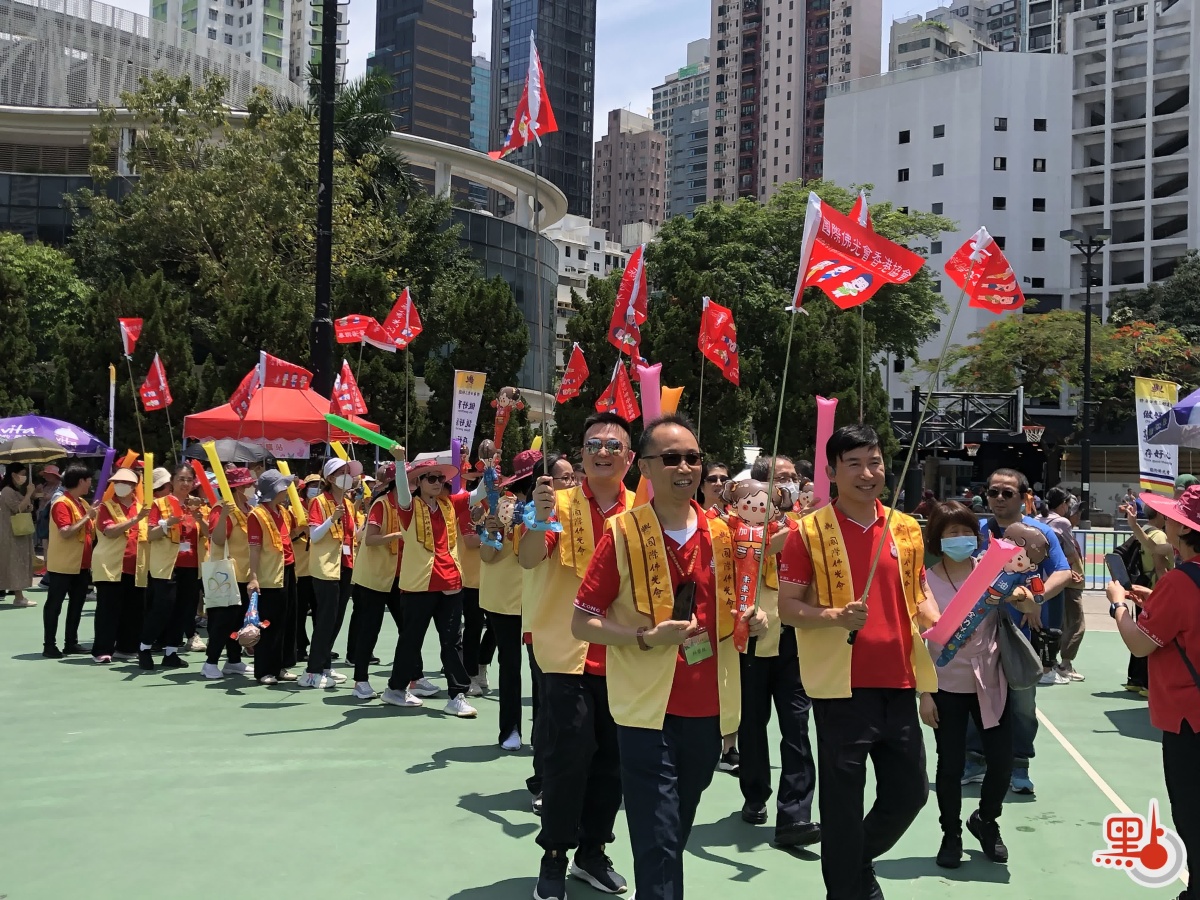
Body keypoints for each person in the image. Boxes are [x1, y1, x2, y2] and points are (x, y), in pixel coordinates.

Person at [572, 414, 768, 900]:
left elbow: (740, 606)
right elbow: (582, 622)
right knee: (657, 831)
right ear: (644, 467)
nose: (685, 467)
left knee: (674, 825)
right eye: (671, 458)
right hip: (645, 709)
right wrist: (644, 637)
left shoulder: (725, 534)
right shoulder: (622, 532)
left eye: (693, 458)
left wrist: (754, 617)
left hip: (707, 706)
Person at [778, 424, 942, 900]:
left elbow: (919, 593)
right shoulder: (807, 532)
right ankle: (849, 889)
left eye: (875, 463)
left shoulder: (905, 527)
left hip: (900, 681)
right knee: (842, 804)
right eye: (854, 464)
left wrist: (939, 623)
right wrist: (835, 616)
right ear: (832, 472)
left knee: (910, 794)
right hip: (841, 689)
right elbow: (788, 608)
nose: (868, 474)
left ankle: (853, 861)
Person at [519, 412, 635, 900]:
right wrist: (536, 518)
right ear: (581, 454)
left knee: (613, 761)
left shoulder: (643, 510)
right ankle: (554, 854)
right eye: (593, 445)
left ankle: (593, 851)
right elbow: (528, 558)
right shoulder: (554, 502)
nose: (602, 452)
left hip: (626, 652)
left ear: (630, 458)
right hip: (566, 653)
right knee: (567, 759)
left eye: (613, 445)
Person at [1108, 485, 1200, 900]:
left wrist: (1119, 607)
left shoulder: (1180, 583)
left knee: (1191, 810)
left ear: (1184, 529)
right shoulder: (1177, 583)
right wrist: (1153, 602)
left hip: (1188, 716)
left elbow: (1140, 644)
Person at [963, 467, 1073, 796]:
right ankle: (975, 760)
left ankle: (1020, 763)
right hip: (978, 631)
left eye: (1007, 493)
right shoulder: (976, 532)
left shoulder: (1041, 533)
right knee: (975, 695)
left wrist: (1035, 598)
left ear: (1024, 497)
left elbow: (1063, 573)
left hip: (1022, 633)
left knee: (1022, 701)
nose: (998, 498)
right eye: (992, 492)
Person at [734, 456, 819, 849]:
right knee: (752, 723)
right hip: (753, 637)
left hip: (794, 638)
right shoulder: (742, 521)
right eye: (781, 479)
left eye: (793, 478)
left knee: (797, 726)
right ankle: (755, 794)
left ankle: (795, 815)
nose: (790, 484)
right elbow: (761, 549)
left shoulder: (806, 520)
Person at [922, 501, 1012, 869]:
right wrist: (924, 693)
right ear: (937, 539)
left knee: (1002, 761)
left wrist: (1028, 598)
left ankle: (986, 820)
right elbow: (916, 638)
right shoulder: (924, 580)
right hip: (945, 684)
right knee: (950, 765)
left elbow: (1026, 601)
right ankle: (951, 834)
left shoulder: (992, 572)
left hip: (991, 681)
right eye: (952, 533)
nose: (961, 538)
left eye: (966, 531)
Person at [383, 452, 477, 717]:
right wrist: (400, 462)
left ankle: (457, 695)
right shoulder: (408, 506)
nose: (438, 483)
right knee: (411, 640)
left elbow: (478, 494)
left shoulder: (449, 504)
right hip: (419, 585)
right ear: (420, 482)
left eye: (440, 479)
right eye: (431, 478)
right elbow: (403, 491)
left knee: (452, 642)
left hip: (450, 582)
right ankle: (395, 688)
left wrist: (490, 469)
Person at [479, 449, 543, 751]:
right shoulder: (502, 506)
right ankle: (510, 729)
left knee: (542, 668)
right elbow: (487, 555)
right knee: (510, 664)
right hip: (506, 598)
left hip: (540, 596)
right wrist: (491, 533)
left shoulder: (550, 508)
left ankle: (542, 730)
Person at [139, 466, 208, 670]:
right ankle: (144, 647)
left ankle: (171, 652)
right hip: (167, 565)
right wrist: (167, 523)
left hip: (191, 565)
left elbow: (209, 534)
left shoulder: (197, 505)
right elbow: (150, 535)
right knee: (162, 608)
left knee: (183, 610)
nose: (185, 484)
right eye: (181, 479)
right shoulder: (160, 504)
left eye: (189, 480)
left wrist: (199, 518)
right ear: (172, 482)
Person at [301, 457, 360, 689]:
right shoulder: (319, 501)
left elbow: (353, 535)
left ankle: (324, 665)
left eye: (349, 472)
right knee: (326, 619)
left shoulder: (348, 503)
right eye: (343, 472)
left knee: (336, 619)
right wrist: (332, 519)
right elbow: (314, 536)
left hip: (345, 565)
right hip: (326, 567)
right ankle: (313, 670)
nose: (348, 476)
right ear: (331, 478)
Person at [351, 458, 407, 700]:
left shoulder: (406, 505)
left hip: (397, 576)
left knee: (408, 629)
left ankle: (414, 677)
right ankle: (360, 681)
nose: (413, 485)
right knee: (369, 630)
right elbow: (370, 539)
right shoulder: (381, 504)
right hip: (373, 578)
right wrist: (397, 535)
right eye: (408, 481)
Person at [246, 469, 300, 685]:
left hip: (288, 569)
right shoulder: (257, 514)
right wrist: (253, 577)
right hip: (269, 575)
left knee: (287, 620)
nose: (286, 490)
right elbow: (254, 548)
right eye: (282, 487)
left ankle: (281, 666)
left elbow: (289, 535)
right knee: (269, 622)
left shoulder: (283, 511)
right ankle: (264, 669)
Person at [91, 468, 149, 663]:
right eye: (116, 482)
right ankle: (102, 649)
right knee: (108, 609)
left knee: (133, 610)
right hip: (110, 565)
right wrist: (136, 519)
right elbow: (109, 531)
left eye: (124, 483)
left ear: (133, 486)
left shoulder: (141, 507)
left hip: (136, 566)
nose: (119, 486)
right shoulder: (106, 507)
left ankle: (127, 647)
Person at [203, 467, 256, 679]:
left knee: (237, 621)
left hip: (244, 573)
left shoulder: (248, 508)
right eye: (248, 485)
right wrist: (224, 514)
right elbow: (217, 539)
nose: (252, 488)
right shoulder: (221, 508)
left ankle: (234, 660)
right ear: (238, 488)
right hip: (226, 575)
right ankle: (210, 662)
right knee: (223, 621)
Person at [1121, 498, 1173, 695]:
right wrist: (1134, 524)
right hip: (1163, 595)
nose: (1168, 520)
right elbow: (1154, 548)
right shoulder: (1171, 544)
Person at [43, 463, 96, 658]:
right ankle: (49, 645)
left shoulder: (80, 502)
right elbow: (65, 532)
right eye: (88, 480)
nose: (90, 484)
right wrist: (87, 517)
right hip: (63, 564)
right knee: (55, 605)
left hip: (81, 563)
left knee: (77, 604)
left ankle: (71, 643)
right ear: (81, 481)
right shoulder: (62, 503)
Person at [1041, 487, 1087, 682]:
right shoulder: (1061, 523)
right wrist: (1070, 571)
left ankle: (1049, 663)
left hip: (1046, 580)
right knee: (1076, 624)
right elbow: (1068, 554)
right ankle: (1064, 664)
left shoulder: (1039, 520)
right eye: (1071, 507)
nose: (1075, 514)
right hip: (1065, 581)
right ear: (1063, 506)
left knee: (1052, 623)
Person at [459, 464, 492, 698]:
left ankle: (482, 665)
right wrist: (492, 538)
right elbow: (470, 542)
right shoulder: (467, 508)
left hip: (493, 579)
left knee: (496, 629)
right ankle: (469, 675)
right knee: (473, 628)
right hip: (470, 579)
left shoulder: (497, 508)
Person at [0, 463, 36, 607]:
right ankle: (19, 597)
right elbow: (17, 508)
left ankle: (19, 596)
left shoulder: (14, 491)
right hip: (11, 533)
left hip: (18, 532)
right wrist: (28, 494)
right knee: (13, 563)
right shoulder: (7, 491)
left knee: (16, 563)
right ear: (14, 475)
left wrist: (29, 502)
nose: (24, 477)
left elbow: (24, 507)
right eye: (22, 474)